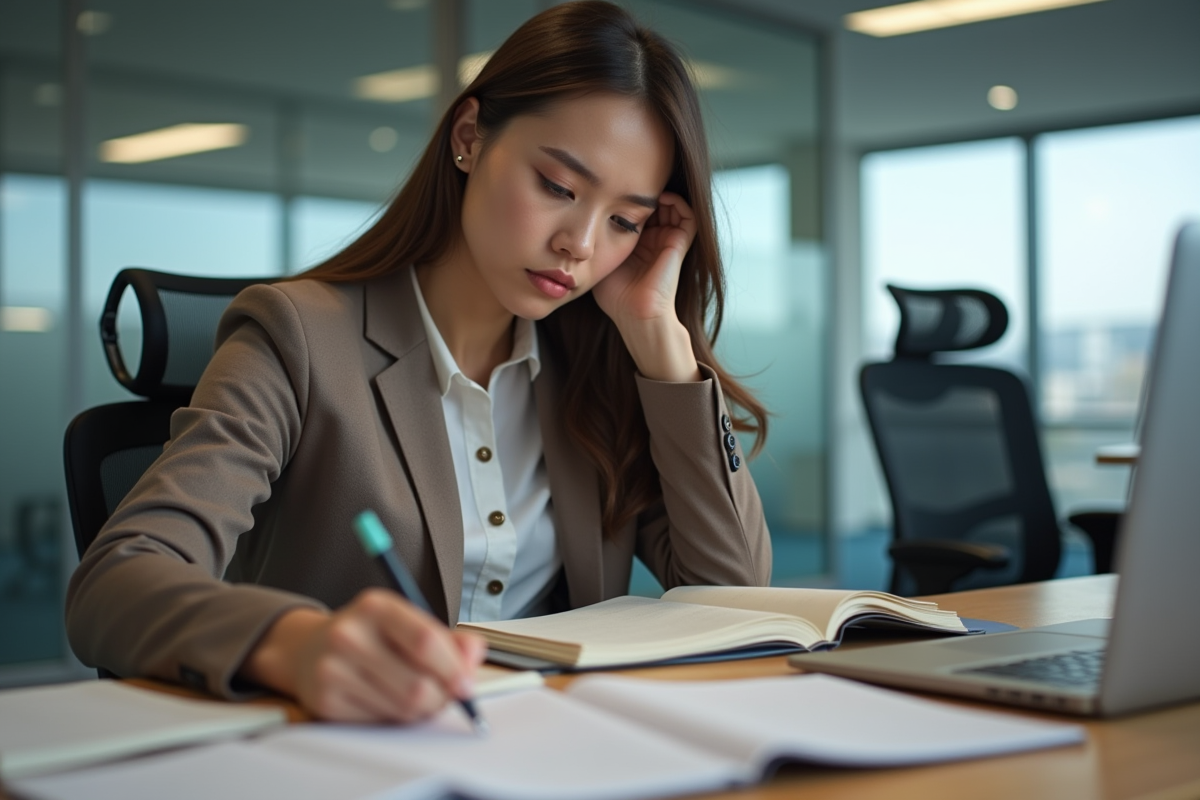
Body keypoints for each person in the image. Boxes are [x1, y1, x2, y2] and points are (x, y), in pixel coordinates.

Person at [66, 0, 771, 724]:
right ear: (469, 137)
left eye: (624, 220)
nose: (581, 244)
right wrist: (298, 645)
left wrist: (661, 343)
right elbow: (115, 583)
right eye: (558, 187)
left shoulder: (598, 368)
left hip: (559, 749)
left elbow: (735, 593)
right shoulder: (300, 337)